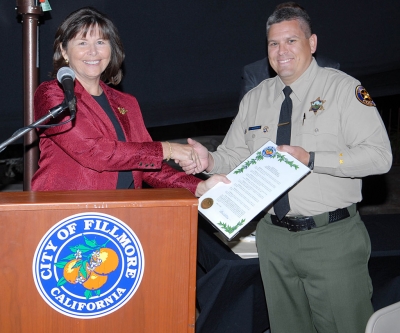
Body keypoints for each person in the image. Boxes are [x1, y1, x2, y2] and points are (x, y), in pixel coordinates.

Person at [180, 2, 392, 332]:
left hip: (330, 238)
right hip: (273, 239)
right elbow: (233, 157)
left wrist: (312, 158)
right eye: (273, 43)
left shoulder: (342, 90)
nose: (282, 51)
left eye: (291, 40)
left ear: (312, 43)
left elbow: (380, 157)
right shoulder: (256, 98)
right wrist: (209, 161)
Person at [31, 6, 226, 196]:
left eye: (101, 42)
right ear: (64, 52)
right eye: (82, 43)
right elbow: (96, 152)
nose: (93, 51)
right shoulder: (52, 94)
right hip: (66, 218)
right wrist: (169, 148)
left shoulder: (126, 103)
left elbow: (147, 163)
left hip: (122, 218)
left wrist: (199, 187)